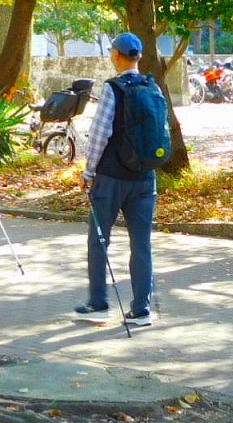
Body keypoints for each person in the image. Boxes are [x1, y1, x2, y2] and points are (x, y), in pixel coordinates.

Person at [76, 32, 157, 326]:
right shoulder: (152, 86)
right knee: (142, 243)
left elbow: (100, 134)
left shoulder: (114, 89)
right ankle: (141, 308)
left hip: (111, 177)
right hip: (145, 177)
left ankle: (98, 302)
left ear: (116, 56)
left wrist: (88, 172)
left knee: (99, 239)